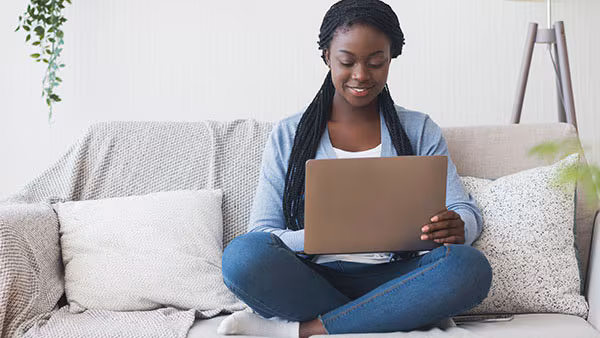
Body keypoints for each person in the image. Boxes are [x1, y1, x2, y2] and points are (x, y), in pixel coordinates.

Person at [218, 0, 492, 337]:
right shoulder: (289, 134)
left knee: (469, 267)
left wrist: (458, 225)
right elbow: (262, 234)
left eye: (376, 62)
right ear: (326, 57)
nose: (361, 75)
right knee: (241, 257)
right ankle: (393, 313)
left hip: (398, 276)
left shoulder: (419, 129)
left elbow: (463, 209)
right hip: (311, 279)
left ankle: (306, 330)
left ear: (391, 59)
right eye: (347, 62)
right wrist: (322, 236)